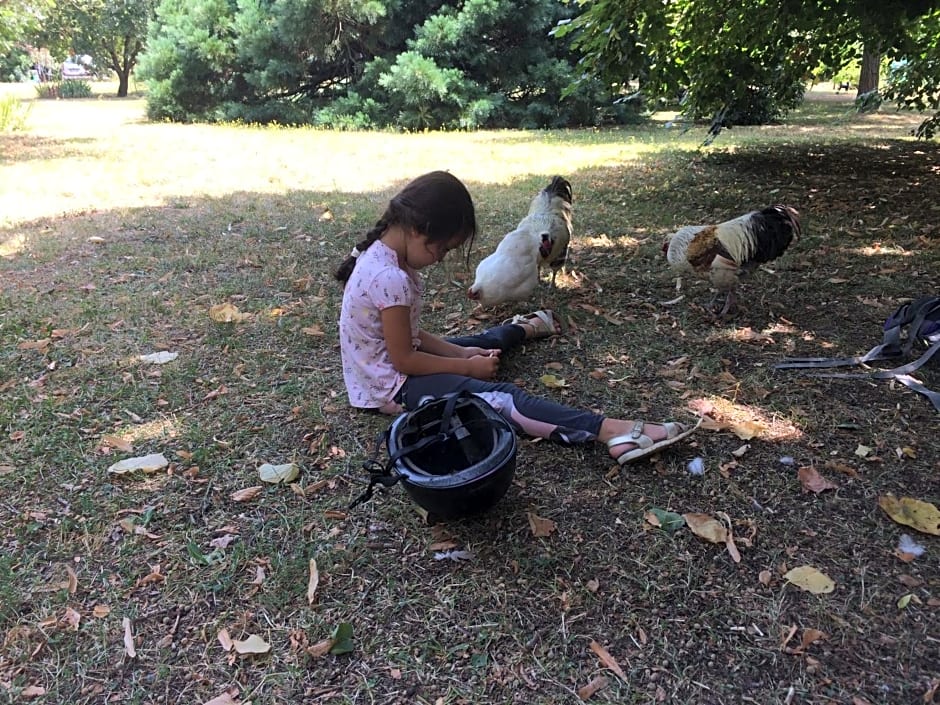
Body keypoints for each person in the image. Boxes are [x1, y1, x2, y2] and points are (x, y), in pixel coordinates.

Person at [334, 171, 699, 465]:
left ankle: (522, 328)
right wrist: (468, 370)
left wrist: (462, 356)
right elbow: (405, 359)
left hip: (393, 369)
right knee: (500, 397)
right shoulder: (390, 278)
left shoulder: (387, 256)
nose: (441, 258)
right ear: (417, 230)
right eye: (442, 248)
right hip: (392, 388)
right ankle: (611, 431)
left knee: (477, 345)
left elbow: (410, 337)